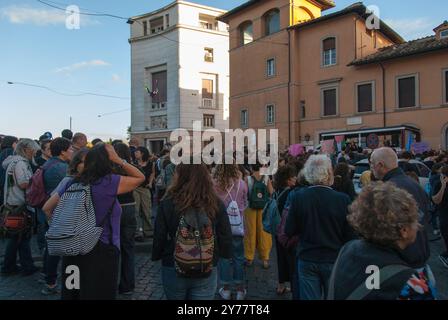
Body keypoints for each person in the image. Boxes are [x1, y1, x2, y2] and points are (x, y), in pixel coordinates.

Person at [43, 143, 145, 300]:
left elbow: (47, 208)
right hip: (100, 249)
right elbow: (140, 177)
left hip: (71, 247)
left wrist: (63, 227)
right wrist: (118, 159)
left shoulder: (72, 182)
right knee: (98, 293)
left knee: (73, 292)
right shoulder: (108, 182)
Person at [329, 182, 436, 300]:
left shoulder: (348, 249)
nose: (418, 226)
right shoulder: (409, 283)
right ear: (404, 230)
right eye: (415, 220)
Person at [152, 163, 233, 300]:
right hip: (206, 263)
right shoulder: (215, 202)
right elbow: (225, 234)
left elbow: (159, 234)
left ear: (180, 177)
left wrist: (157, 254)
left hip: (173, 262)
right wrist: (223, 255)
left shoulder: (168, 202)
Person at [285, 155, 354, 300]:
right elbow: (350, 235)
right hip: (333, 258)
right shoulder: (343, 199)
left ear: (308, 173)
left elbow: (289, 230)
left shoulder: (299, 197)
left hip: (307, 256)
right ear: (329, 174)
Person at [370, 147, 431, 271]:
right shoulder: (415, 185)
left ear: (380, 165)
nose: (370, 167)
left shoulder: (387, 190)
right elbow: (426, 218)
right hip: (419, 258)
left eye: (371, 163)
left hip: (400, 263)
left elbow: (382, 231)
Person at [1, 139, 40, 276]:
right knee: (17, 238)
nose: (34, 152)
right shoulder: (20, 163)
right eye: (33, 150)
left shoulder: (14, 162)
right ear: (26, 149)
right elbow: (23, 184)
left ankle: (24, 265)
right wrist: (36, 180)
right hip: (19, 204)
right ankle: (10, 267)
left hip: (15, 203)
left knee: (21, 238)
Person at [39, 138, 73, 295]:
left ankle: (47, 275)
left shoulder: (49, 163)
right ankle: (52, 282)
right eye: (70, 149)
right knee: (57, 248)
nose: (72, 152)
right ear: (63, 151)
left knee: (50, 245)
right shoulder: (61, 168)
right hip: (58, 210)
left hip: (50, 207)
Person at [213, 164, 248, 300]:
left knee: (224, 257)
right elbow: (245, 203)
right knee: (239, 257)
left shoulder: (214, 185)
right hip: (237, 226)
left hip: (221, 226)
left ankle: (226, 288)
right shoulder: (242, 184)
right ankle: (240, 289)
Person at [113, 143, 138, 295]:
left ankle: (109, 282)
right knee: (128, 248)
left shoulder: (108, 168)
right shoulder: (130, 167)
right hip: (129, 206)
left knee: (111, 248)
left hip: (113, 207)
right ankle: (128, 285)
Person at [272, 165, 297, 296]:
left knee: (280, 259)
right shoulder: (290, 192)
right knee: (291, 261)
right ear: (288, 180)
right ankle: (294, 286)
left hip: (277, 230)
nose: (295, 179)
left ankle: (280, 285)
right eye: (293, 177)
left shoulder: (277, 190)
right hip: (287, 231)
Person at [244, 162, 273, 269]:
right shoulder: (266, 178)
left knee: (250, 232)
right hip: (264, 208)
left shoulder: (248, 179)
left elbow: (245, 193)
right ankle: (265, 259)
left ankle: (249, 257)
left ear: (252, 167)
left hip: (250, 208)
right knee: (264, 232)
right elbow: (271, 192)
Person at [134, 146, 155, 240]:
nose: (135, 153)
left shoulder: (150, 164)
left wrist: (150, 183)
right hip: (135, 188)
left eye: (137, 152)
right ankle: (138, 232)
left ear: (142, 153)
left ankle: (148, 230)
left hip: (145, 188)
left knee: (147, 209)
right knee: (136, 210)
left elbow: (152, 173)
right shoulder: (133, 163)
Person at [431, 165, 448, 268]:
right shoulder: (438, 184)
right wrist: (443, 186)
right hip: (445, 217)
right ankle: (444, 256)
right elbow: (436, 200)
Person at [0, 136, 19, 207]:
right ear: (12, 143)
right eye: (16, 142)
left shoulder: (3, 152)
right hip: (6, 181)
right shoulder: (10, 152)